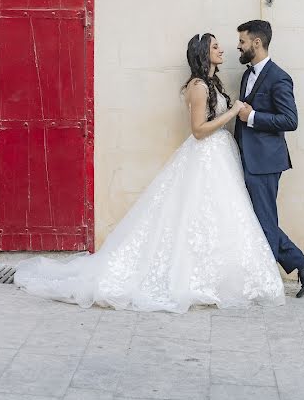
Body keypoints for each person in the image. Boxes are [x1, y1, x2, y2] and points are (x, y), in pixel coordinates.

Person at [14, 33, 284, 313]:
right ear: (204, 53)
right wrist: (233, 112)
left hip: (220, 157)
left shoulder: (212, 83)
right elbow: (199, 130)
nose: (221, 50)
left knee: (218, 215)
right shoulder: (199, 87)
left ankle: (219, 275)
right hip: (206, 155)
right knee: (198, 214)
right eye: (215, 47)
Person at [234, 20, 304, 298]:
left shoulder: (278, 77)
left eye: (243, 41)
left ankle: (267, 284)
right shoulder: (247, 75)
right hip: (247, 158)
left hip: (266, 162)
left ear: (256, 43)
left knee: (263, 221)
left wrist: (253, 117)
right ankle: (302, 262)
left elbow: (290, 120)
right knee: (261, 219)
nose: (239, 46)